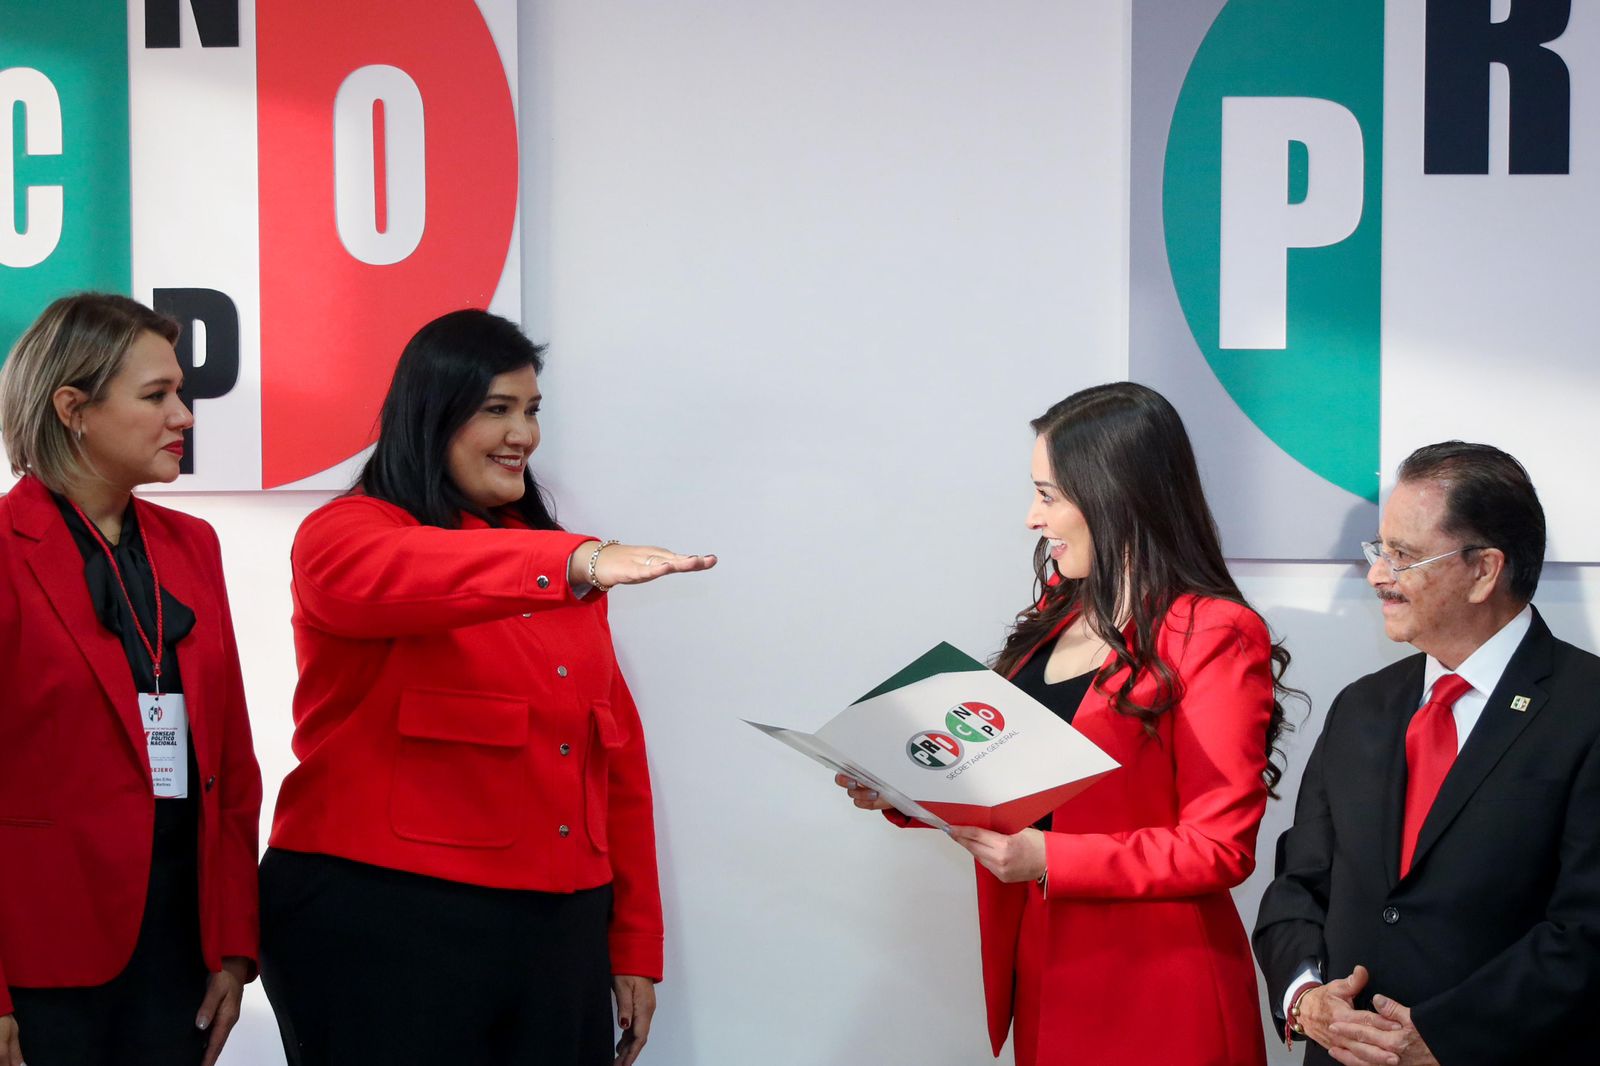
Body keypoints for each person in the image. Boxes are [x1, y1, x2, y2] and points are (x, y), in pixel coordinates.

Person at [258, 309, 714, 1066]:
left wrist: (634, 940)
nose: (522, 435)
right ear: (430, 414)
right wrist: (571, 562)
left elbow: (615, 764)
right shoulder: (345, 535)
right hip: (382, 918)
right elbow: (410, 569)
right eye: (497, 409)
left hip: (557, 932)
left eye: (531, 410)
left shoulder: (556, 564)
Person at [837, 382, 1293, 1066]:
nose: (1032, 518)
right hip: (1048, 969)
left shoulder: (1215, 631)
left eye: (1047, 495)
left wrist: (1051, 860)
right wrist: (904, 786)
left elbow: (1219, 847)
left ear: (1115, 494)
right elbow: (1015, 781)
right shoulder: (1059, 610)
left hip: (1159, 990)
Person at [1253, 442, 1600, 1066]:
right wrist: (1306, 1000)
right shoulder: (1362, 705)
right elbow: (1298, 883)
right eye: (1379, 551)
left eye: (1404, 556)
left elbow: (1587, 928)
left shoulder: (1588, 708)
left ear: (1485, 570)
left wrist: (1445, 1035)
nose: (1377, 575)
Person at [0, 293, 262, 1066]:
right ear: (73, 409)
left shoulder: (194, 545)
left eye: (180, 392)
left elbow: (231, 762)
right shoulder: (6, 551)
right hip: (39, 961)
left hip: (180, 951)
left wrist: (233, 945)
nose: (183, 416)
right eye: (157, 395)